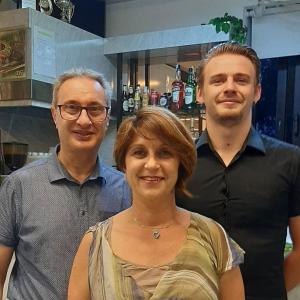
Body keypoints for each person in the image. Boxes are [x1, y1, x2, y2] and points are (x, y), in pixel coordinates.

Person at [68, 106, 245, 300]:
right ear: (124, 163)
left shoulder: (213, 238)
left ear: (181, 162)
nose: (151, 164)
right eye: (139, 152)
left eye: (164, 153)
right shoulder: (94, 244)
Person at [176, 42, 300, 300]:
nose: (229, 88)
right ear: (200, 93)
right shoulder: (178, 163)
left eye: (241, 80)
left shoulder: (291, 161)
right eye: (218, 80)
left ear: (256, 92)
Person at [0, 68, 131, 299]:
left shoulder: (126, 189)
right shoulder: (19, 186)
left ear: (106, 117)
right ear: (54, 115)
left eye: (95, 109)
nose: (84, 120)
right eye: (71, 107)